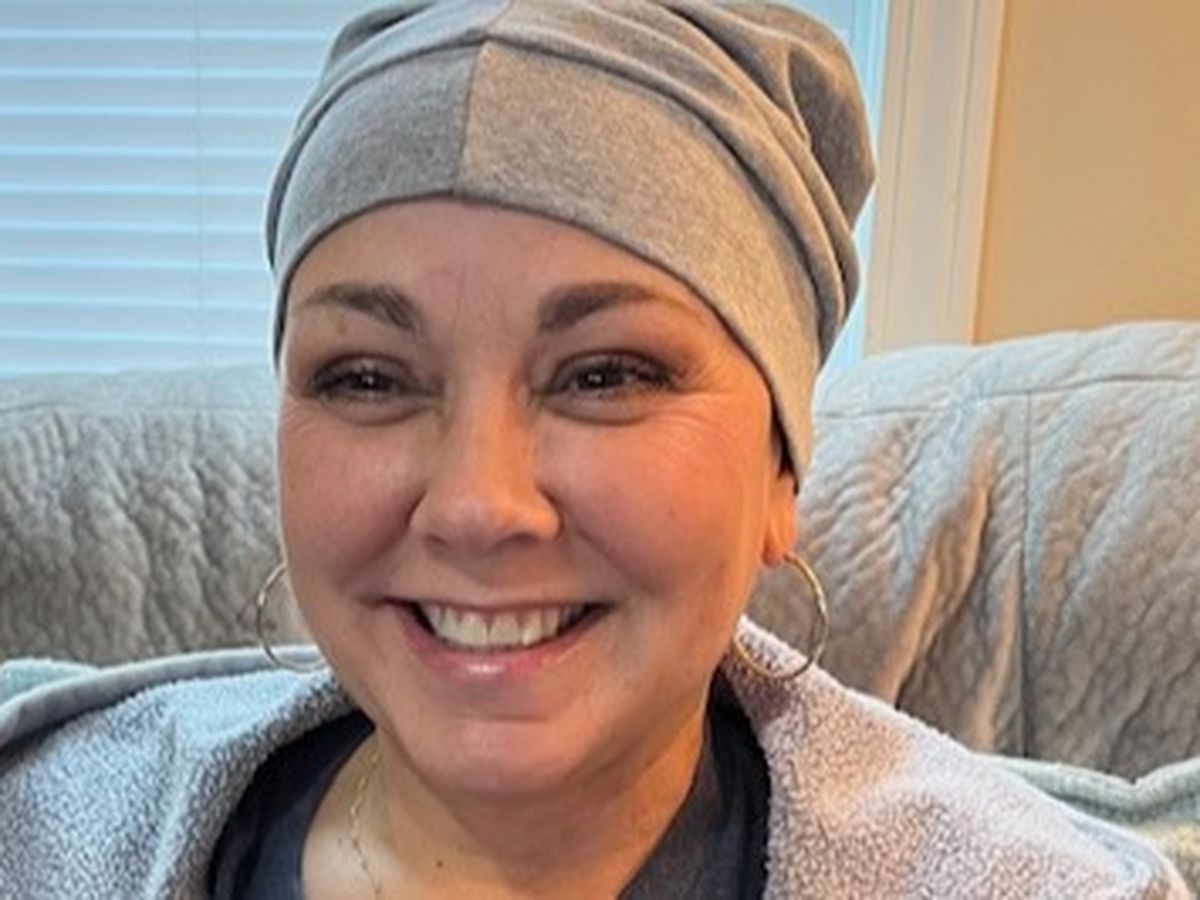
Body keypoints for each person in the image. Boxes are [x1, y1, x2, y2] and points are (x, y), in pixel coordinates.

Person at [0, 1, 1188, 897]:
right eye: (367, 377)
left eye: (606, 374)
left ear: (781, 471)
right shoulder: (43, 831)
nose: (477, 505)